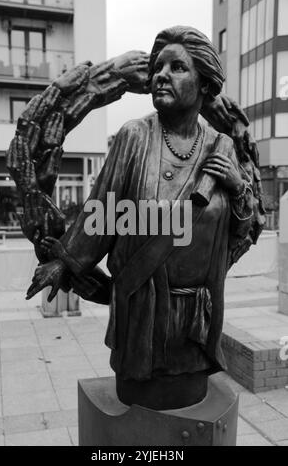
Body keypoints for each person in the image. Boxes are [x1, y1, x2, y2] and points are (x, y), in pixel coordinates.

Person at [25, 27, 264, 410]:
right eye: (157, 67)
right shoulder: (134, 137)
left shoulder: (222, 147)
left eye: (177, 67)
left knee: (191, 399)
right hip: (142, 312)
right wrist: (66, 261)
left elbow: (241, 230)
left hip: (198, 318)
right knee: (141, 404)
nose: (160, 75)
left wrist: (237, 188)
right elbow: (102, 211)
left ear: (205, 84)